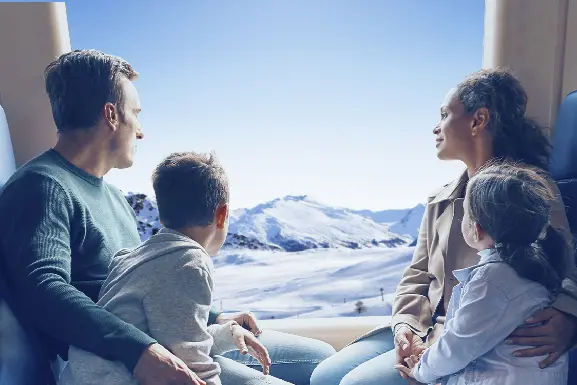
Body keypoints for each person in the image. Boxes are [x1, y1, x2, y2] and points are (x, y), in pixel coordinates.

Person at [0, 49, 334, 385]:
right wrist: (140, 352)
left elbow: (144, 282)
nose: (141, 131)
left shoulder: (113, 197)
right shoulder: (42, 186)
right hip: (121, 365)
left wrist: (216, 317)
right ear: (111, 115)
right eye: (136, 114)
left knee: (321, 360)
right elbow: (43, 289)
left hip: (163, 339)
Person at [309, 68, 577, 385]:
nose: (436, 127)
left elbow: (566, 261)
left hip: (473, 341)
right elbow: (418, 274)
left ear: (478, 120)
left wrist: (569, 315)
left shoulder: (529, 190)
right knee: (324, 376)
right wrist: (405, 327)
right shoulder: (441, 199)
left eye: (445, 114)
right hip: (427, 330)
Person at [59, 151, 291, 385]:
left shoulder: (130, 257)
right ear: (221, 215)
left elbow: (176, 336)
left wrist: (229, 332)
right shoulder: (189, 262)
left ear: (162, 215)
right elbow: (191, 365)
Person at [395, 162, 569, 384]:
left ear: (476, 229)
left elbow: (457, 346)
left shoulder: (492, 281)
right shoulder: (530, 266)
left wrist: (421, 370)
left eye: (465, 214)